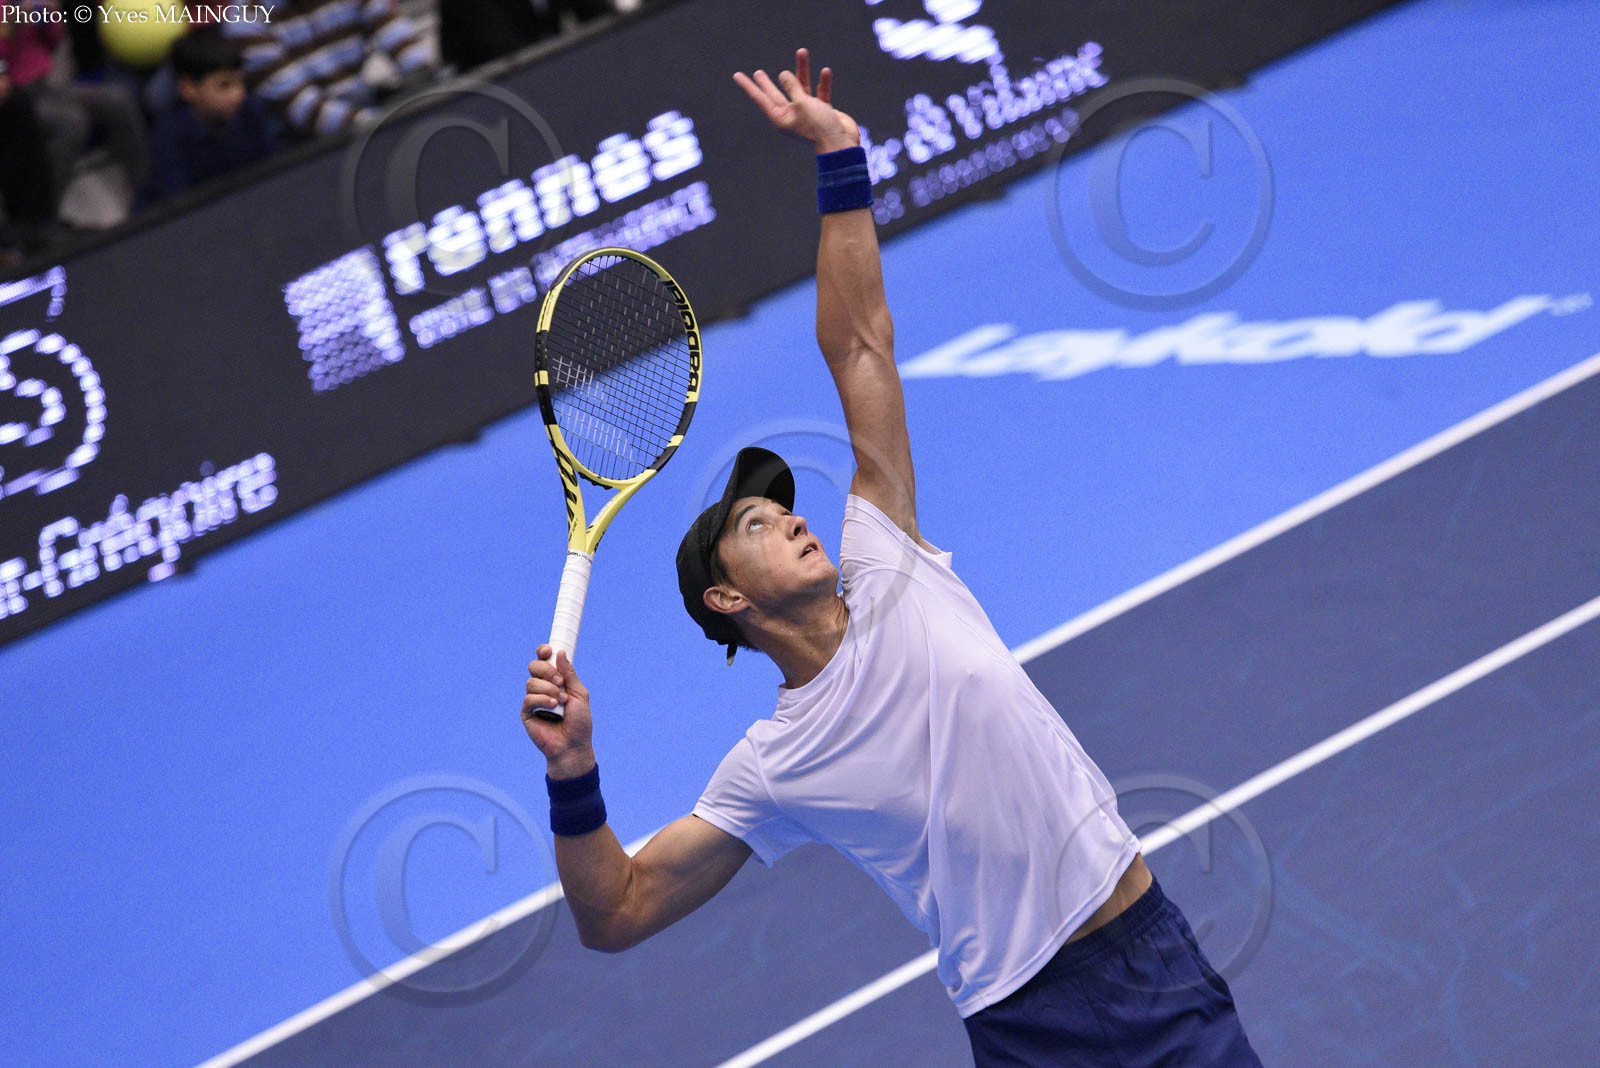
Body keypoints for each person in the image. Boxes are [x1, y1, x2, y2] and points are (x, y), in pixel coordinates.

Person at [521, 49, 1262, 1066]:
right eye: (755, 525)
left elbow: (860, 344)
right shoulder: (772, 764)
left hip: (1149, 959)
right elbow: (617, 911)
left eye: (783, 511)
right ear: (728, 599)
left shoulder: (888, 558)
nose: (794, 522)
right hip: (1030, 1027)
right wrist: (574, 771)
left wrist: (841, 162)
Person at [140, 28, 279, 207]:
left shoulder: (252, 111)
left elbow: (275, 170)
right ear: (189, 89)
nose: (238, 95)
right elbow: (178, 205)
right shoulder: (168, 137)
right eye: (224, 85)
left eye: (240, 82)